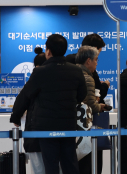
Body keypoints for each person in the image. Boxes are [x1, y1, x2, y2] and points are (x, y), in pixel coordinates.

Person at [10, 34, 87, 174]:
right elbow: (82, 95)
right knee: (70, 163)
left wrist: (16, 116)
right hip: (68, 125)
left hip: (46, 128)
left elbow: (25, 95)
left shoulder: (40, 72)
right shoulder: (76, 71)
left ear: (48, 51)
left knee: (50, 166)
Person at [76, 46, 111, 174]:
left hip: (73, 126)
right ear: (88, 61)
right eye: (96, 59)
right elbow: (90, 104)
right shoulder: (87, 78)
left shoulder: (74, 72)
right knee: (88, 165)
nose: (97, 63)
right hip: (85, 127)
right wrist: (99, 106)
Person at [12, 47, 47, 174]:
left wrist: (16, 117)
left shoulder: (35, 78)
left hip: (35, 133)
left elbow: (22, 99)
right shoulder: (58, 77)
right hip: (57, 136)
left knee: (38, 168)